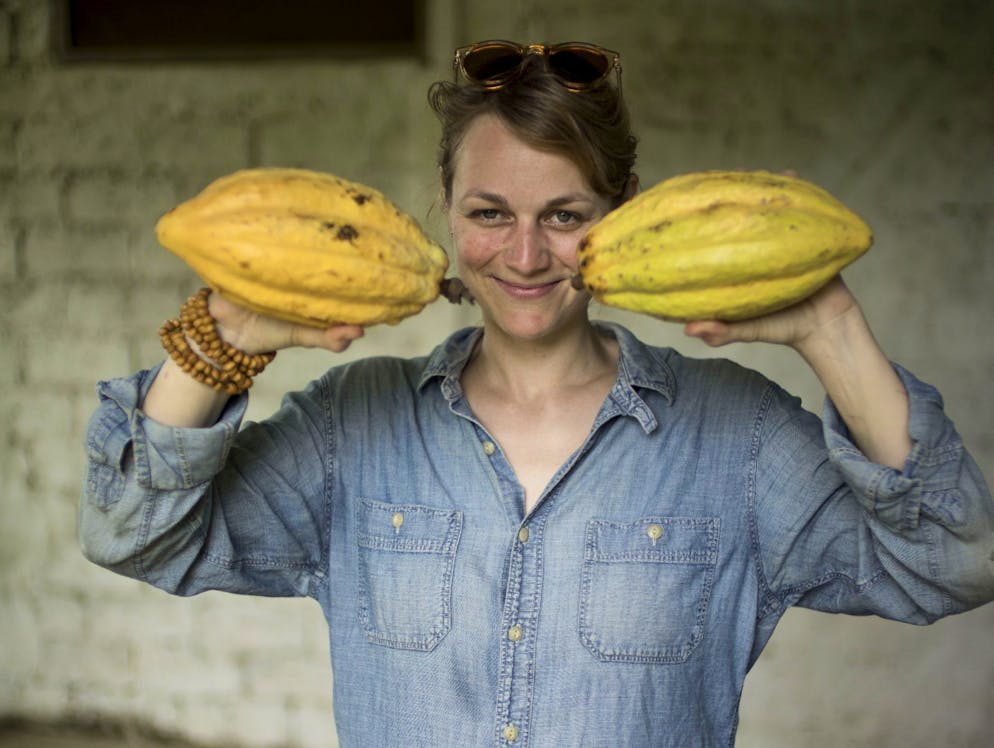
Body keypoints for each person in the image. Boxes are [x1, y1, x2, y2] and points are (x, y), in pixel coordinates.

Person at [80, 40, 994, 746]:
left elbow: (956, 564)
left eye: (565, 216)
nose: (524, 258)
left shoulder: (737, 437)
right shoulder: (352, 426)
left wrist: (828, 327)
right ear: (446, 207)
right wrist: (222, 339)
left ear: (624, 211)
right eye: (490, 215)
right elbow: (134, 533)